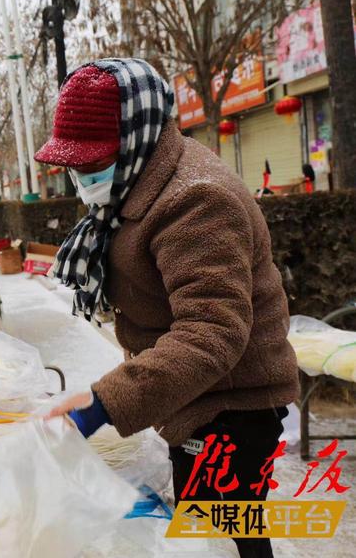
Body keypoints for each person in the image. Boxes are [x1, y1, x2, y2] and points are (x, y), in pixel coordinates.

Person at [37, 59, 298, 558]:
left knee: (220, 537)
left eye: (93, 164)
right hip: (197, 397)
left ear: (136, 136)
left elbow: (212, 332)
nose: (82, 178)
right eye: (75, 166)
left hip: (232, 407)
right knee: (218, 533)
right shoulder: (137, 182)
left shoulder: (196, 200)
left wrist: (103, 402)